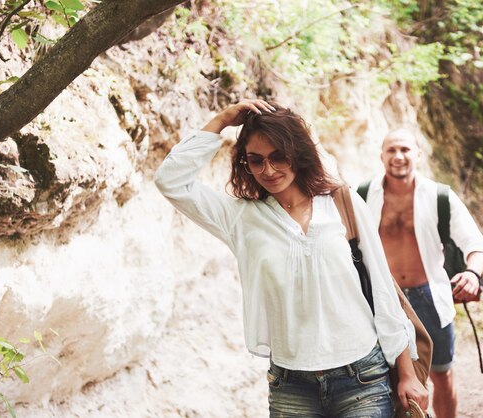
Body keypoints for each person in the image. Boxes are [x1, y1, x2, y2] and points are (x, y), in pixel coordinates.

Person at [154, 99, 428, 417]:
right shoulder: (239, 218)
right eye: (256, 161)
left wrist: (407, 374)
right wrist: (223, 119)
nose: (268, 170)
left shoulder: (342, 202)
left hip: (362, 378)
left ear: (297, 152)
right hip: (291, 386)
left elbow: (382, 290)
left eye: (278, 157)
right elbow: (170, 181)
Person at [361, 127, 483, 418]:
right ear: (381, 155)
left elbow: (476, 243)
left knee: (441, 376)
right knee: (383, 380)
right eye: (391, 150)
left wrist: (473, 273)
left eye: (405, 149)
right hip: (382, 300)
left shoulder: (439, 196)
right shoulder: (363, 195)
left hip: (429, 298)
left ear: (418, 154)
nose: (398, 156)